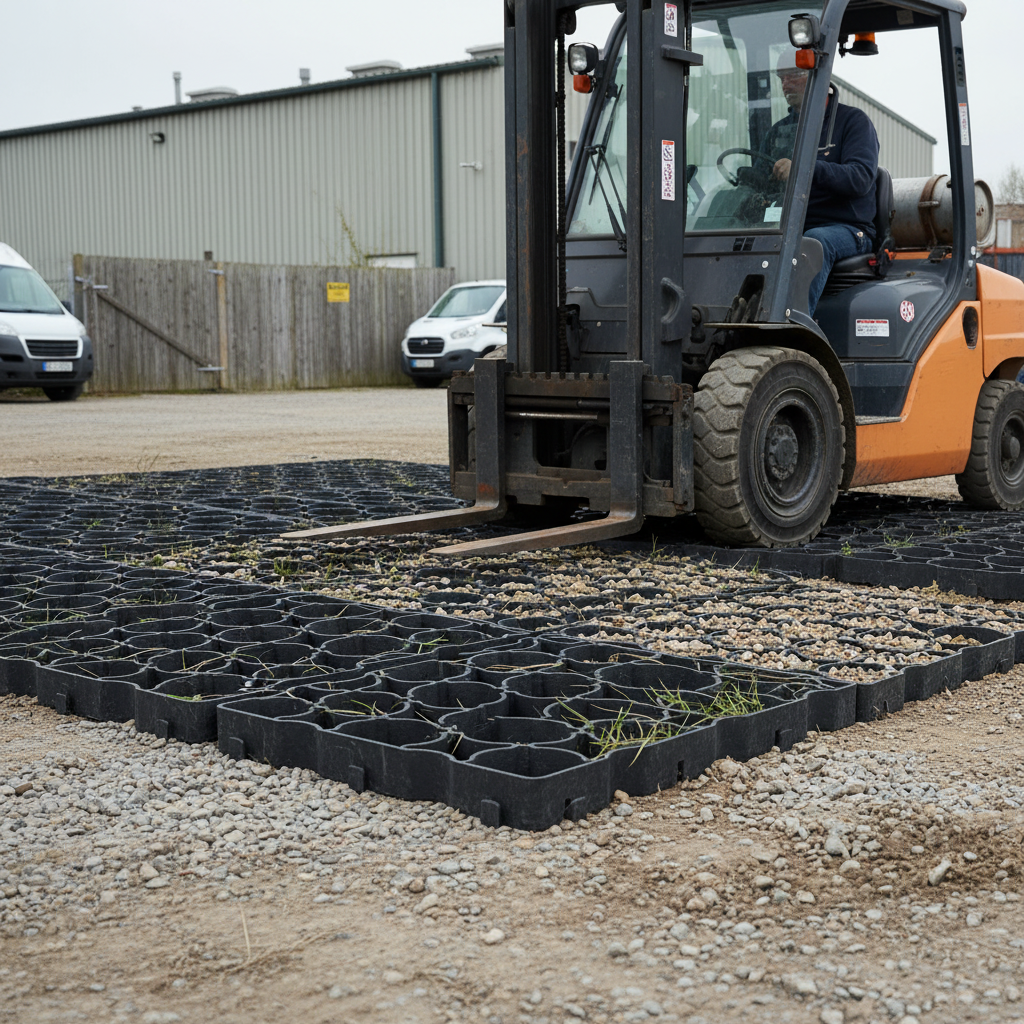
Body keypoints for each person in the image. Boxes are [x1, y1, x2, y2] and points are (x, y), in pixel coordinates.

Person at [764, 51, 880, 316]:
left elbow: (860, 178)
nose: (785, 84)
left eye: (793, 75)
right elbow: (763, 180)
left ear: (818, 77)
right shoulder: (779, 132)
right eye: (781, 77)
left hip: (847, 228)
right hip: (791, 225)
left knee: (812, 243)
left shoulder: (853, 122)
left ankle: (791, 331)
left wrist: (805, 168)